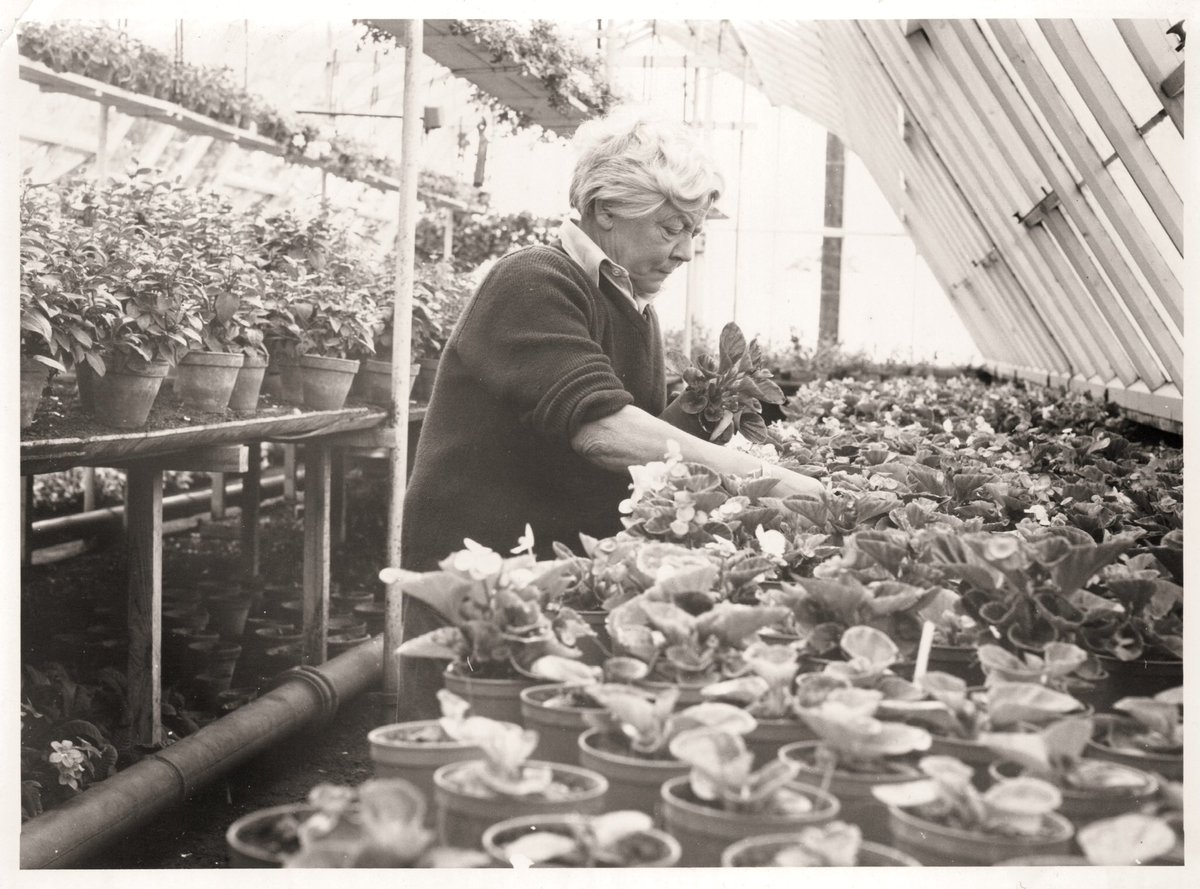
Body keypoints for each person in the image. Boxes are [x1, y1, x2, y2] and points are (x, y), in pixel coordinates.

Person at [397, 111, 824, 718]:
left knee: (535, 751)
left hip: (553, 568)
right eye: (671, 228)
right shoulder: (535, 279)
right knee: (457, 749)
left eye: (694, 232)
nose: (685, 251)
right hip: (478, 576)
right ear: (604, 210)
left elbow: (631, 442)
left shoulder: (633, 309)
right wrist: (759, 477)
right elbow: (600, 432)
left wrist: (699, 413)